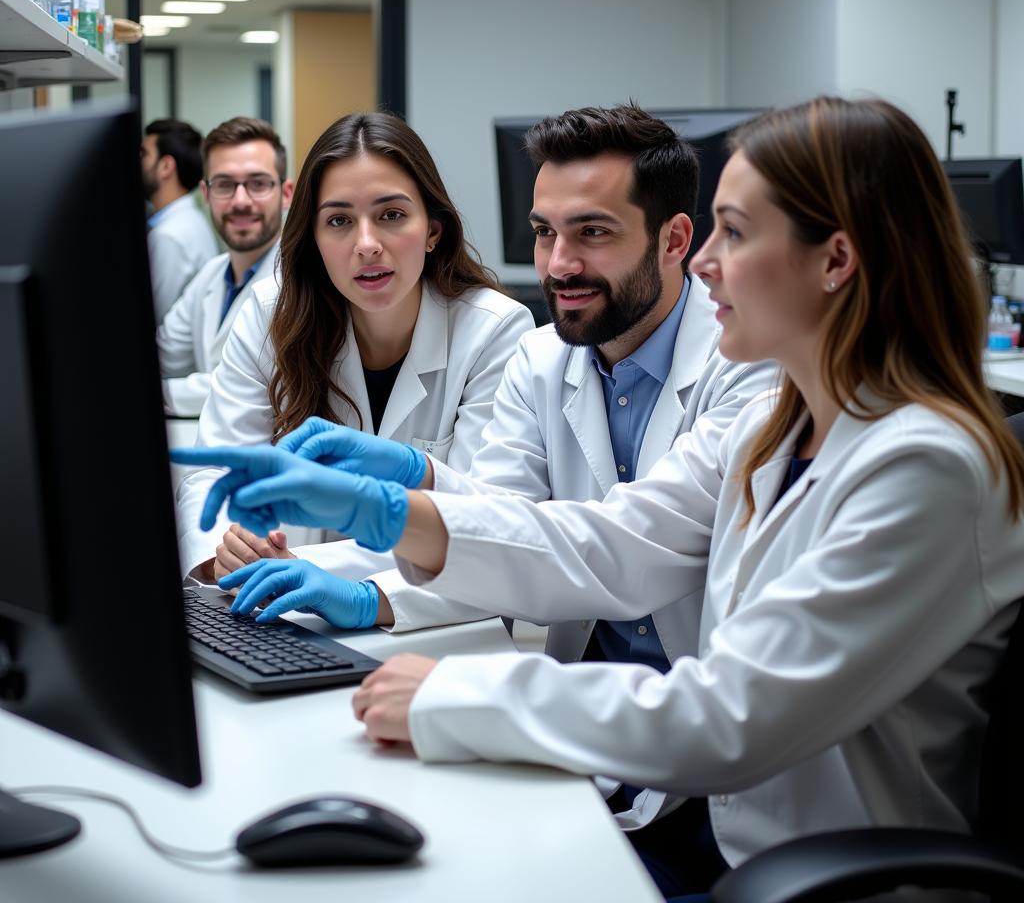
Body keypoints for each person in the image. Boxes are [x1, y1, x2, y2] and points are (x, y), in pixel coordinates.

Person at [175, 97, 1024, 900]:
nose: (704, 263)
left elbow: (731, 716)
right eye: (544, 233)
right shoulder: (783, 422)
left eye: (732, 233)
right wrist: (396, 512)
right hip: (698, 814)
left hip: (811, 872)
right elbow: (613, 545)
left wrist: (451, 695)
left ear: (836, 260)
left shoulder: (923, 466)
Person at [175, 111, 534, 576]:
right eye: (339, 220)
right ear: (315, 239)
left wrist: (313, 570)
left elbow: (486, 522)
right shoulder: (269, 315)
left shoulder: (494, 331)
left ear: (432, 230)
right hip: (279, 616)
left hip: (433, 622)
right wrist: (226, 549)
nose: (366, 244)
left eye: (391, 215)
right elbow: (216, 469)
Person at [157, 117, 291, 418]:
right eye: (225, 185)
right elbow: (164, 356)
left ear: (286, 193)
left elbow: (250, 386)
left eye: (258, 184)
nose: (240, 201)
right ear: (205, 195)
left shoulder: (302, 281)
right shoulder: (212, 274)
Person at [141, 118, 220, 322]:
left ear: (166, 166)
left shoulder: (169, 236)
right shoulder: (190, 219)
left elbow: (153, 320)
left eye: (144, 154)